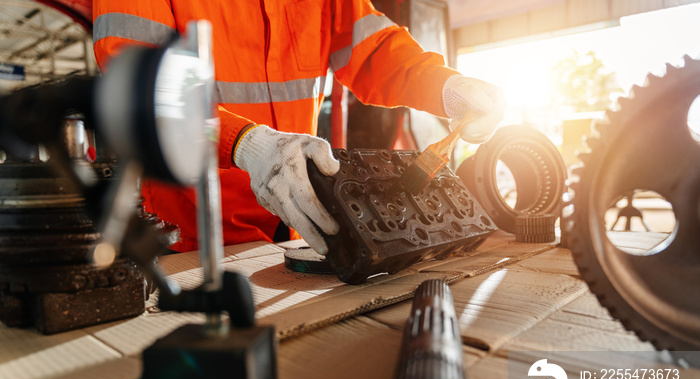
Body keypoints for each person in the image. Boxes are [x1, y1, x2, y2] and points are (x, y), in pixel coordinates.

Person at [93, 0, 505, 255]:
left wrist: (447, 87)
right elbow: (141, 88)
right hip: (192, 238)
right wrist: (245, 144)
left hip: (296, 224)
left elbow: (373, 49)